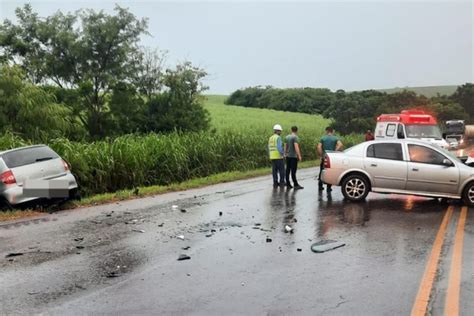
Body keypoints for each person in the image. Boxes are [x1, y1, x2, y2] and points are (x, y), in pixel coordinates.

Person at [317, 127, 343, 191]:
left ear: (327, 131)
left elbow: (319, 147)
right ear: (332, 131)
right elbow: (340, 144)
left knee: (321, 171)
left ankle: (320, 186)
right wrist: (335, 151)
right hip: (331, 157)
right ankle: (328, 188)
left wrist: (321, 155)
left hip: (324, 156)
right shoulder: (335, 138)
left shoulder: (323, 138)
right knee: (330, 172)